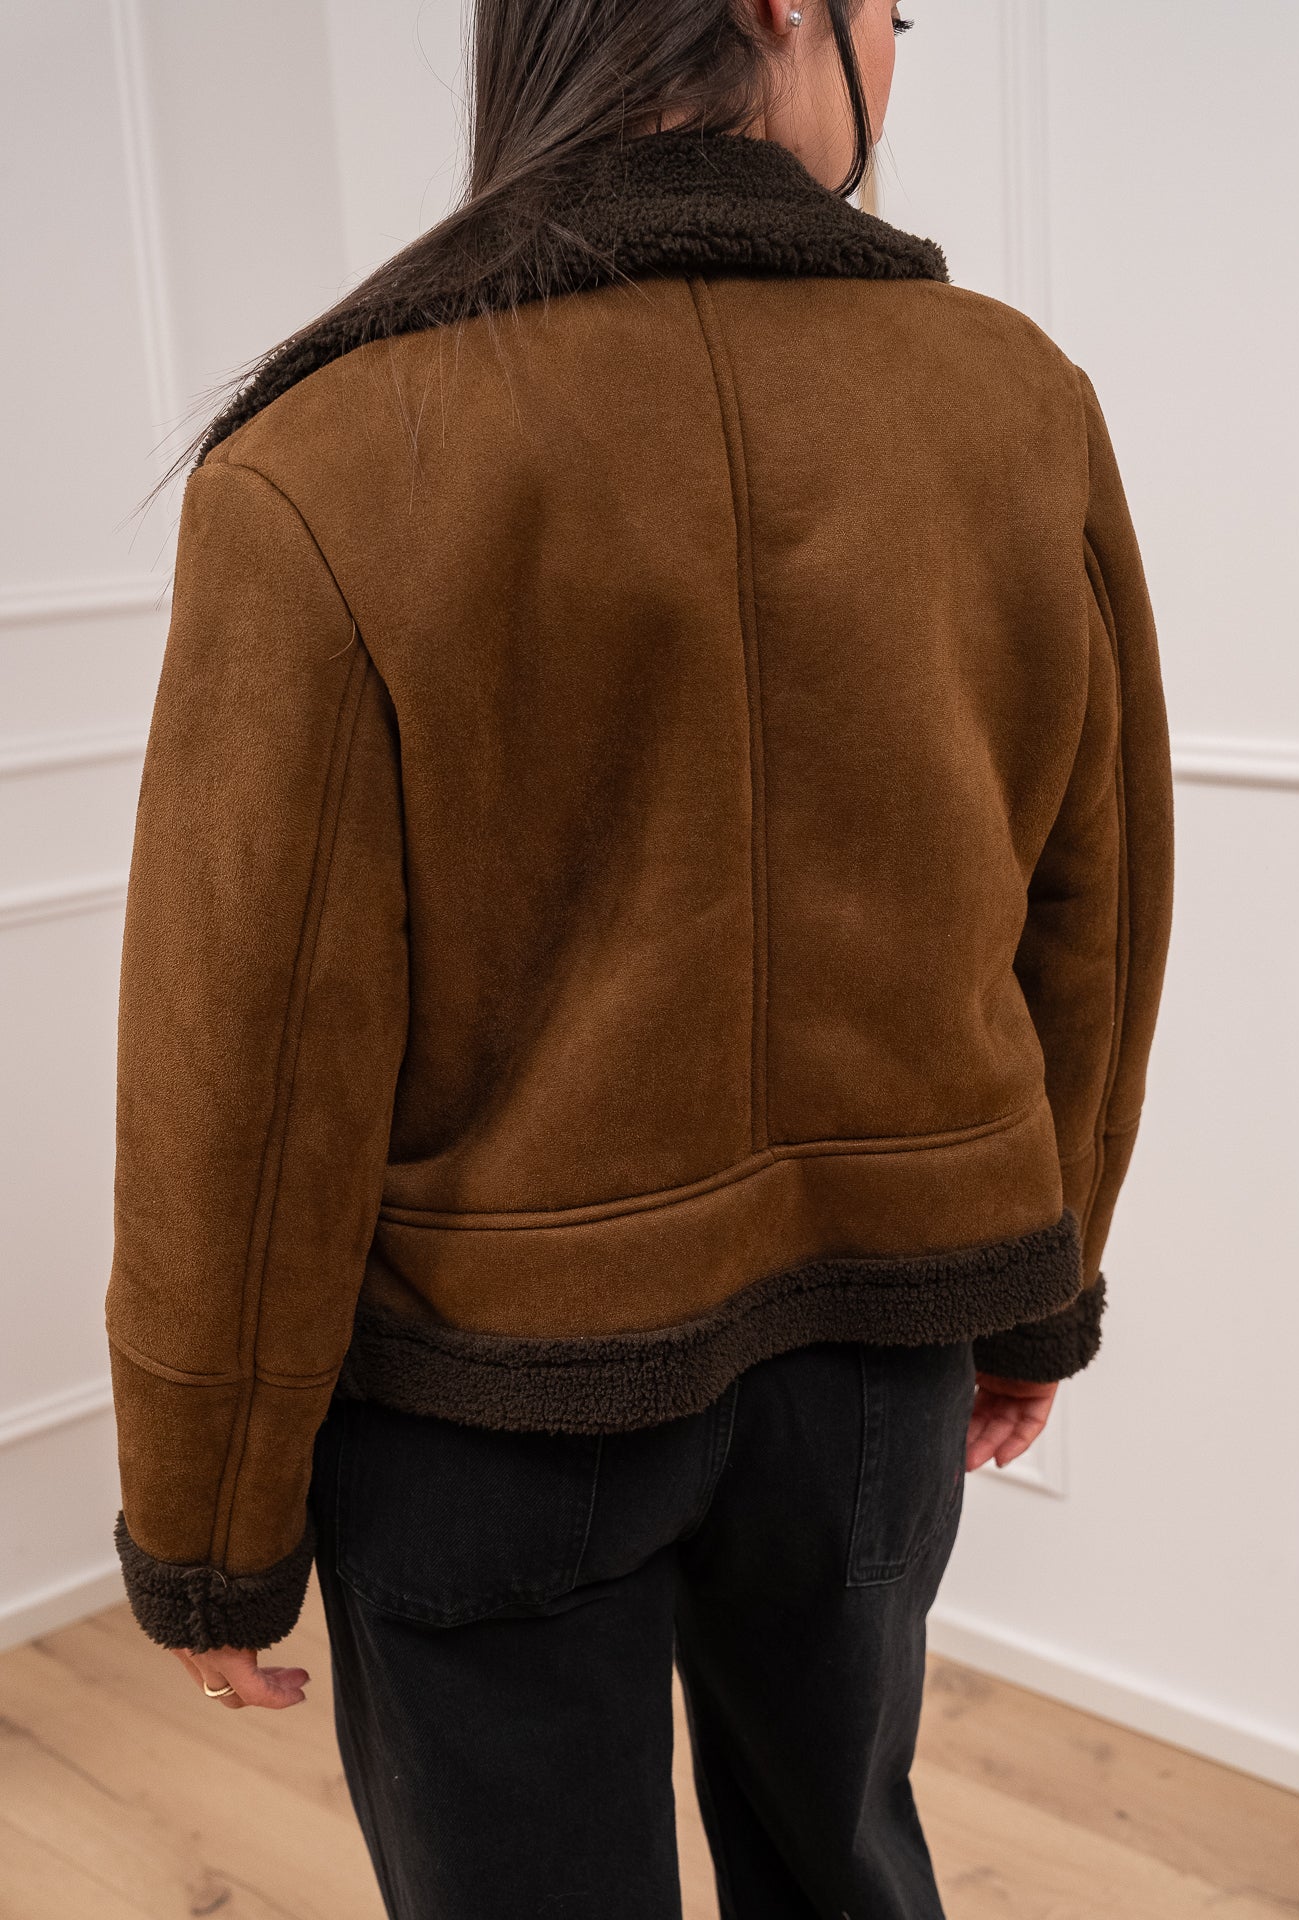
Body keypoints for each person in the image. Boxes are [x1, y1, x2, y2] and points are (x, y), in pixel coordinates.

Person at [104, 0, 1174, 1913]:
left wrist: (208, 1521)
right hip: (873, 1365)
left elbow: (245, 1069)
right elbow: (1096, 904)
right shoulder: (1017, 403)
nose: (901, 50)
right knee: (844, 1865)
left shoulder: (331, 452)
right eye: (897, 10)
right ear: (784, 7)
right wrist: (1038, 1289)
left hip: (488, 1405)